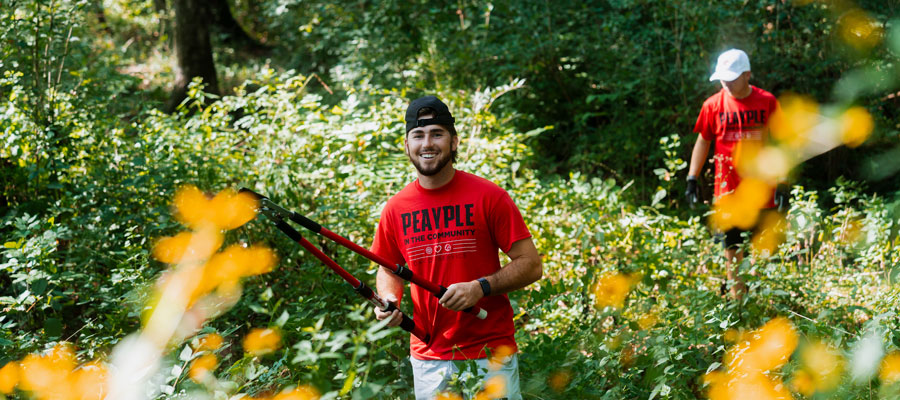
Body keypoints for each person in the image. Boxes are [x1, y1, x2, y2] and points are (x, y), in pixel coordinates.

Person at [371, 95, 542, 399]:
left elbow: (530, 264)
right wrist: (388, 299)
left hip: (490, 353)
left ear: (454, 142)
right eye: (418, 135)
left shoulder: (488, 196)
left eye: (437, 133)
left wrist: (481, 287)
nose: (428, 143)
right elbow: (388, 268)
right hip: (428, 355)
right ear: (407, 145)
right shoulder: (395, 208)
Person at [685, 49, 787, 299]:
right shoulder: (713, 105)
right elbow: (702, 141)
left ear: (747, 74)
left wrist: (784, 182)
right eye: (723, 78)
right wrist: (691, 178)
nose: (727, 83)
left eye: (732, 77)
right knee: (732, 250)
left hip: (762, 191)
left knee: (764, 250)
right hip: (728, 192)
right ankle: (738, 303)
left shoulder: (767, 101)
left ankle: (765, 304)